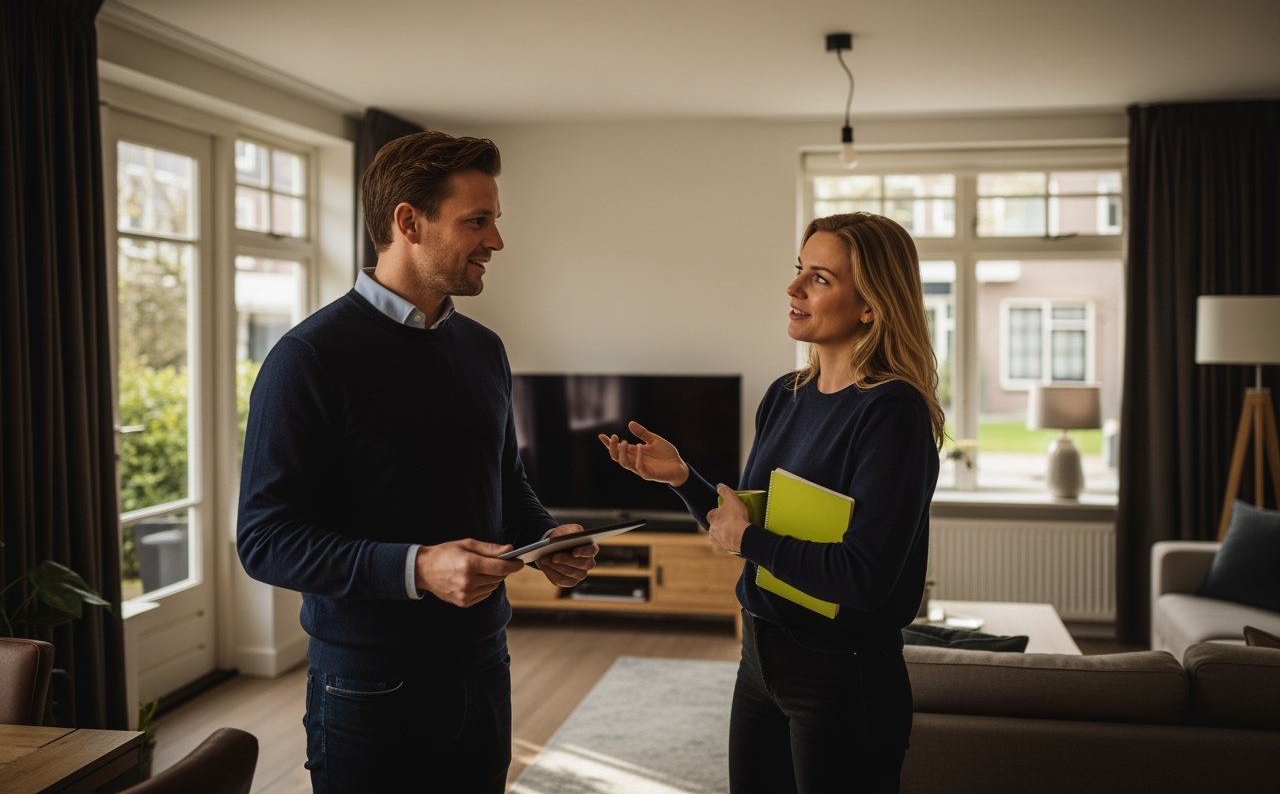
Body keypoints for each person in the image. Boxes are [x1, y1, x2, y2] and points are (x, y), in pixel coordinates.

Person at [237, 130, 597, 793]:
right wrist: (417, 567)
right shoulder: (308, 360)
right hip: (368, 684)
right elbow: (264, 540)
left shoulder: (484, 349)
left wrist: (546, 539)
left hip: (484, 664)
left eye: (494, 220)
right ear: (408, 221)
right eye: (477, 221)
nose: (496, 240)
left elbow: (502, 480)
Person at [599, 212, 943, 794]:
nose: (794, 289)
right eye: (798, 270)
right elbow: (749, 525)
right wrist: (684, 479)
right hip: (759, 661)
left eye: (821, 278)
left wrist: (746, 539)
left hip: (844, 677)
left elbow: (863, 577)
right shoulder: (785, 396)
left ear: (871, 305)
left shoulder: (893, 414)